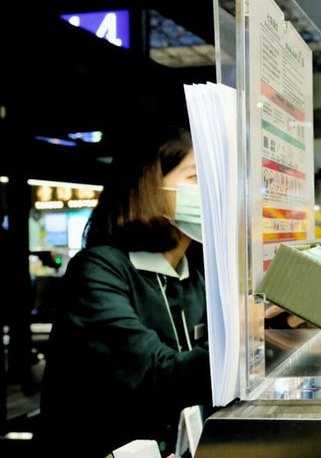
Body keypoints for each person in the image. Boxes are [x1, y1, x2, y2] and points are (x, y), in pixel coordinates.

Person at [39, 125, 212, 457]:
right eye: (196, 176)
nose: (213, 191)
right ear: (148, 185)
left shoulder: (194, 276)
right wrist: (240, 337)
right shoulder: (99, 270)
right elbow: (153, 376)